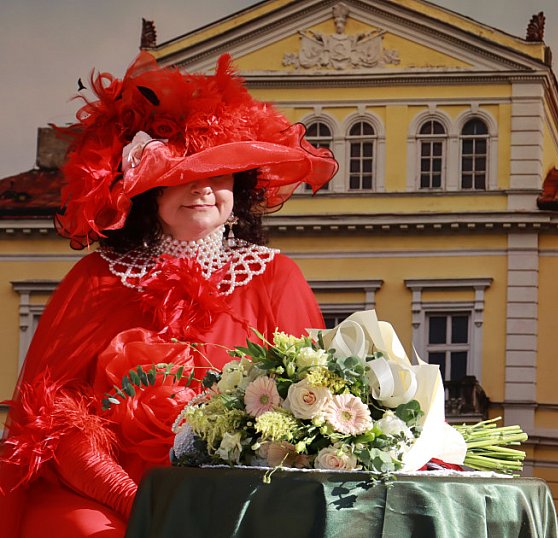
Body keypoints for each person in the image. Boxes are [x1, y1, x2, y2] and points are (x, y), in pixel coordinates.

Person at [0, 52, 337, 537]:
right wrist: (136, 501)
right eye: (179, 176)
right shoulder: (96, 279)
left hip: (235, 497)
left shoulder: (275, 277)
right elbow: (55, 420)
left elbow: (308, 408)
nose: (201, 190)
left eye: (217, 175)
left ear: (239, 186)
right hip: (104, 498)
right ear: (145, 190)